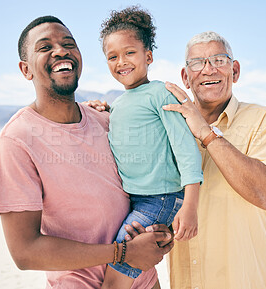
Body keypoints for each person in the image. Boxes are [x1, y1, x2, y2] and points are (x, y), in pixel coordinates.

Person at [0, 15, 173, 289]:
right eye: (44, 47)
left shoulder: (106, 120)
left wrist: (160, 233)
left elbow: (146, 186)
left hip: (145, 281)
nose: (61, 51)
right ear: (25, 69)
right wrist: (123, 253)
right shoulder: (17, 140)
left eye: (69, 44)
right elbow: (25, 252)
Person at [161, 31, 266, 288]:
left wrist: (206, 134)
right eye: (197, 63)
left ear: (235, 71)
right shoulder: (170, 128)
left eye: (219, 60)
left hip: (253, 280)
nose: (208, 70)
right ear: (185, 78)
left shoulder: (264, 120)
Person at [98, 6, 203, 289]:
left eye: (130, 52)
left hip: (160, 199)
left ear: (148, 56)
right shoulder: (118, 103)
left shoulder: (160, 93)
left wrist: (190, 206)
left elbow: (186, 150)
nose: (122, 61)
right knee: (137, 276)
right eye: (113, 56)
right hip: (135, 199)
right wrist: (101, 109)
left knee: (114, 279)